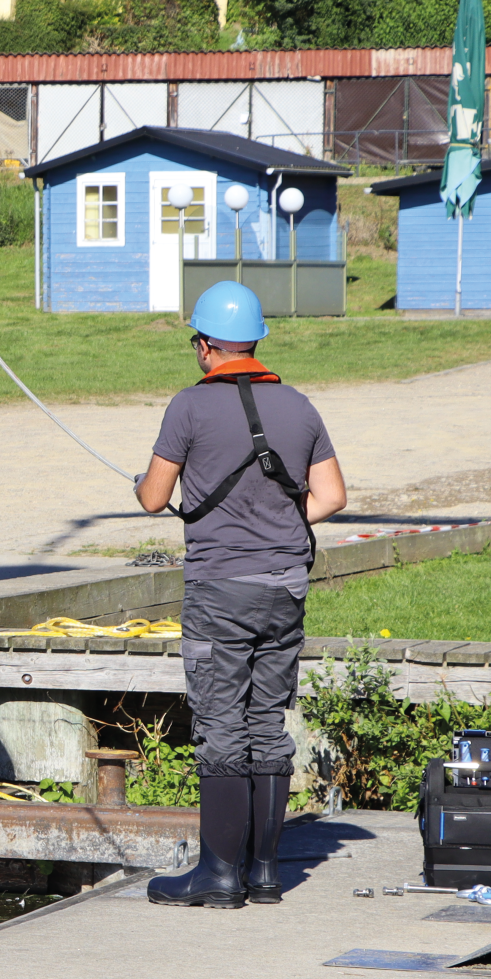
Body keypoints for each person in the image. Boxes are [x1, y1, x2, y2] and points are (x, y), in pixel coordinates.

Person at [136, 281, 347, 909]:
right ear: (254, 341)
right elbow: (332, 497)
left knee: (221, 724)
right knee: (266, 722)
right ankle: (264, 873)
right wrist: (279, 526)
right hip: (284, 588)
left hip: (218, 589)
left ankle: (218, 875)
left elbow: (153, 497)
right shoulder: (301, 406)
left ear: (206, 346)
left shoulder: (188, 408)